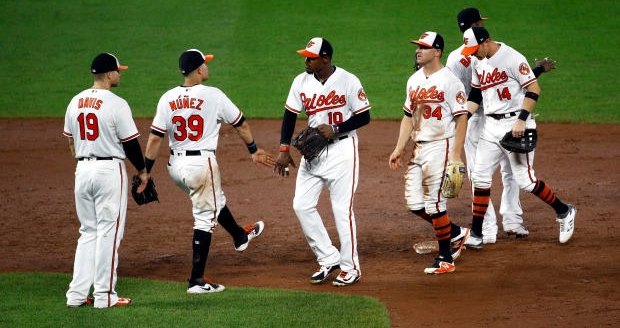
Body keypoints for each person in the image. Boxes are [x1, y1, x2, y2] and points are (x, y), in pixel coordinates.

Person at [144, 49, 274, 293]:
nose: (207, 66)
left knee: (214, 200)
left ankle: (239, 237)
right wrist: (254, 150)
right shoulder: (213, 95)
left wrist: (145, 171)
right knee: (205, 216)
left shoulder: (167, 97)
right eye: (205, 63)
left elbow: (154, 139)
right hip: (201, 166)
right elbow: (241, 123)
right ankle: (196, 281)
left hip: (175, 167)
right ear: (199, 69)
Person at [446, 8, 557, 243]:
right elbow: (471, 92)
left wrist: (535, 72)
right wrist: (456, 118)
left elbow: (509, 80)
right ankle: (485, 230)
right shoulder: (462, 58)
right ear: (472, 27)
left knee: (513, 173)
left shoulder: (495, 54)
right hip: (474, 119)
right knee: (481, 175)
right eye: (478, 22)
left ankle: (512, 221)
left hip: (501, 118)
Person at [460, 26, 576, 249]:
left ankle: (564, 211)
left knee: (525, 180)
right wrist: (462, 117)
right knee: (480, 178)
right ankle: (476, 233)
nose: (473, 53)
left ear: (486, 42)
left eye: (475, 49)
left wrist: (522, 119)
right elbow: (475, 94)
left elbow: (534, 88)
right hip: (490, 127)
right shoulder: (477, 61)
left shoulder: (513, 58)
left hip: (516, 124)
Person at [274, 37, 370, 286]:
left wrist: (337, 128)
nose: (306, 60)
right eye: (305, 56)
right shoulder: (301, 81)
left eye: (311, 57)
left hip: (342, 150)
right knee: (301, 205)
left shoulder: (349, 80)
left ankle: (351, 267)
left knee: (341, 210)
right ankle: (328, 257)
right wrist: (284, 149)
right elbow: (289, 115)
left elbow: (364, 116)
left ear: (325, 58)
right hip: (313, 153)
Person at [64, 53, 147, 308]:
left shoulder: (75, 101)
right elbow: (131, 144)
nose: (120, 74)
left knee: (88, 232)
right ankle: (104, 296)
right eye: (118, 71)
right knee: (109, 234)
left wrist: (84, 163)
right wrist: (143, 172)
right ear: (109, 74)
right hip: (109, 172)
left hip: (82, 170)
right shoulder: (116, 103)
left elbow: (71, 141)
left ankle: (76, 296)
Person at [389, 32, 470, 274]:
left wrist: (455, 155)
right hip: (419, 147)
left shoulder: (450, 81)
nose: (418, 50)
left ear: (437, 52)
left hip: (441, 146)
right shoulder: (413, 80)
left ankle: (446, 258)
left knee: (435, 205)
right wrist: (399, 148)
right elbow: (407, 116)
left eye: (424, 47)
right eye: (418, 47)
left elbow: (462, 118)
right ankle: (456, 233)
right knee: (414, 203)